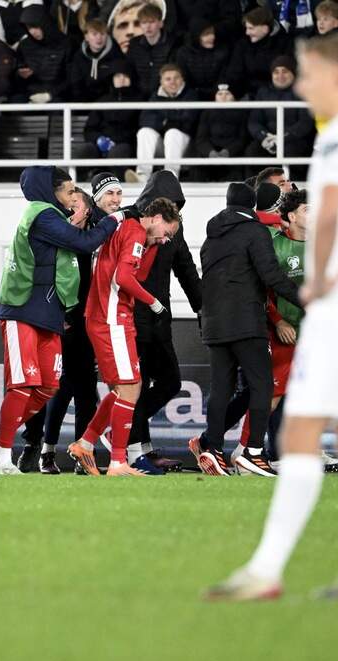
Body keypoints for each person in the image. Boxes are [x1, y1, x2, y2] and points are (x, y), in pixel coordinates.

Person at [207, 33, 338, 602]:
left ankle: (266, 570)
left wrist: (323, 282)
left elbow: (326, 218)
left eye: (307, 75)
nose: (301, 86)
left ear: (335, 76)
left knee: (300, 429)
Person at [0, 166, 117, 474]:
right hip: (23, 311)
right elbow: (84, 243)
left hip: (47, 314)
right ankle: (1, 458)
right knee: (23, 386)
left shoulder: (53, 217)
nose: (73, 196)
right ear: (51, 191)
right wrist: (115, 219)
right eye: (69, 191)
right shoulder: (42, 214)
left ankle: (0, 433)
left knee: (47, 387)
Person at [189, 182, 301, 478]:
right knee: (263, 386)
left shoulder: (211, 237)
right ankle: (253, 452)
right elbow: (271, 275)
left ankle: (213, 449)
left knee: (221, 389)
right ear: (252, 205)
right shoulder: (255, 231)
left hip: (214, 323)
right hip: (246, 321)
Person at [68, 197, 181, 476]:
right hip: (111, 319)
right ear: (156, 218)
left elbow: (129, 272)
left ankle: (86, 443)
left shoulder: (128, 228)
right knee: (130, 388)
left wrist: (153, 244)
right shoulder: (135, 232)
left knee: (126, 388)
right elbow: (124, 278)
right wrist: (153, 302)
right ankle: (118, 461)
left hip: (107, 317)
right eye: (167, 232)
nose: (166, 239)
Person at [18, 184, 104, 474]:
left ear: (88, 211)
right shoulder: (56, 238)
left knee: (85, 390)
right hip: (58, 322)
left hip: (85, 324)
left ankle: (83, 453)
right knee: (56, 387)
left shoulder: (91, 241)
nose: (69, 210)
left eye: (75, 205)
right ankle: (43, 448)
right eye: (68, 205)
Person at [123, 171, 201, 470]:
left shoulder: (174, 230)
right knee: (137, 386)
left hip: (159, 319)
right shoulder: (129, 223)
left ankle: (126, 431)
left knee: (170, 382)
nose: (174, 212)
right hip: (132, 317)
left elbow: (186, 269)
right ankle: (139, 449)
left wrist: (203, 308)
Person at [129, 63, 198, 181]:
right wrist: (168, 121)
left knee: (173, 133)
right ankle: (142, 175)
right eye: (168, 79)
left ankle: (170, 177)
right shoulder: (155, 96)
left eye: (176, 78)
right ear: (161, 82)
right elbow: (145, 120)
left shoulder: (191, 95)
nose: (172, 82)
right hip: (164, 145)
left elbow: (188, 122)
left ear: (182, 79)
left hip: (186, 147)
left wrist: (163, 118)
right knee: (144, 132)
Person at [72, 62, 140, 180]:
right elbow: (89, 128)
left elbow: (138, 127)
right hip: (99, 144)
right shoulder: (102, 101)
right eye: (118, 76)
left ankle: (121, 184)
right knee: (82, 151)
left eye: (125, 76)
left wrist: (114, 141)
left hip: (125, 144)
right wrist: (99, 139)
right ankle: (71, 183)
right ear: (112, 79)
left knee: (117, 153)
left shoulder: (139, 100)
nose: (121, 79)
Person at [247, 55, 316, 163]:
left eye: (285, 71)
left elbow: (305, 123)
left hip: (294, 140)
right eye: (276, 72)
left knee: (290, 153)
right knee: (252, 152)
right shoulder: (263, 92)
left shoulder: (302, 91)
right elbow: (254, 120)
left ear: (293, 73)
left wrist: (281, 138)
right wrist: (264, 137)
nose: (280, 76)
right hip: (268, 139)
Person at [227, 6, 291, 96]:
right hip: (247, 95)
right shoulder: (242, 45)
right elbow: (234, 75)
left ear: (265, 29)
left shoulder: (285, 44)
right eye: (246, 28)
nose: (247, 33)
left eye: (251, 28)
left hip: (278, 95)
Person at [192, 84, 250, 182]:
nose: (223, 97)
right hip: (210, 152)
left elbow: (242, 139)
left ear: (234, 97)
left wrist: (227, 151)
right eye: (220, 94)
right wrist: (210, 152)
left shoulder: (242, 113)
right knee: (198, 162)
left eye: (227, 94)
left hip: (233, 152)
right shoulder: (206, 113)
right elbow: (201, 139)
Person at [14, 5, 71, 103]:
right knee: (15, 101)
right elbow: (16, 78)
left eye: (35, 26)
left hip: (58, 95)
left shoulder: (67, 44)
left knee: (58, 104)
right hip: (30, 94)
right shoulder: (24, 45)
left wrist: (50, 95)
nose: (32, 32)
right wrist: (20, 75)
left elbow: (72, 78)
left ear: (45, 23)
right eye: (29, 28)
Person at [66, 16, 125, 102]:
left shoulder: (116, 55)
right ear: (86, 37)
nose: (99, 38)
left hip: (108, 103)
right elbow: (76, 84)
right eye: (94, 34)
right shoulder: (78, 57)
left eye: (102, 34)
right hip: (83, 103)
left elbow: (118, 88)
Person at [125, 2, 175, 96]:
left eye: (152, 22)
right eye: (144, 22)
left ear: (160, 23)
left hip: (164, 95)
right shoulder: (134, 44)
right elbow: (129, 70)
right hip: (138, 95)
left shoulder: (172, 44)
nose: (148, 27)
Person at [174, 20, 231, 101]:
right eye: (206, 34)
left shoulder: (222, 51)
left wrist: (214, 92)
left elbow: (224, 77)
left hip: (217, 95)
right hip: (190, 96)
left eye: (212, 33)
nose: (212, 37)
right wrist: (194, 93)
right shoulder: (183, 53)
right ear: (197, 36)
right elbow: (183, 77)